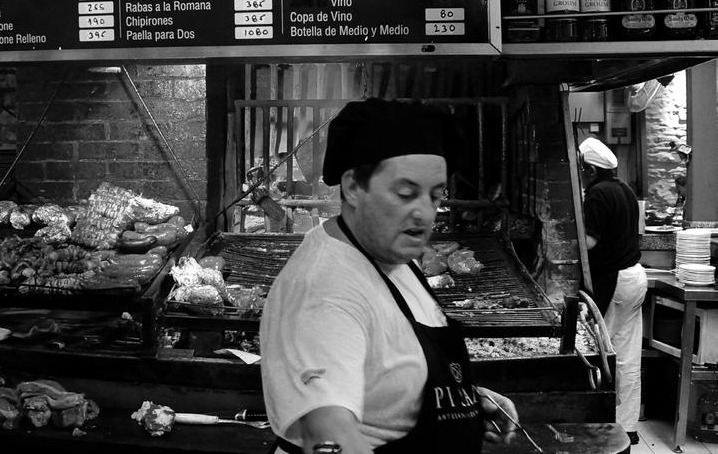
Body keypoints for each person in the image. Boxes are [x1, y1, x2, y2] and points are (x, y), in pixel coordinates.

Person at [261, 99, 519, 454]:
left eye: (435, 195)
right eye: (405, 193)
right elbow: (329, 432)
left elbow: (387, 372)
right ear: (353, 187)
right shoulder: (325, 291)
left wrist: (466, 404)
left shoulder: (393, 255)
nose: (424, 212)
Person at [579, 136, 647, 445]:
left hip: (615, 281)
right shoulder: (625, 190)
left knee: (601, 353)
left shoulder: (596, 195)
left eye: (582, 169)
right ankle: (628, 426)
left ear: (591, 170)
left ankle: (600, 424)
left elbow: (590, 243)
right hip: (635, 276)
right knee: (628, 355)